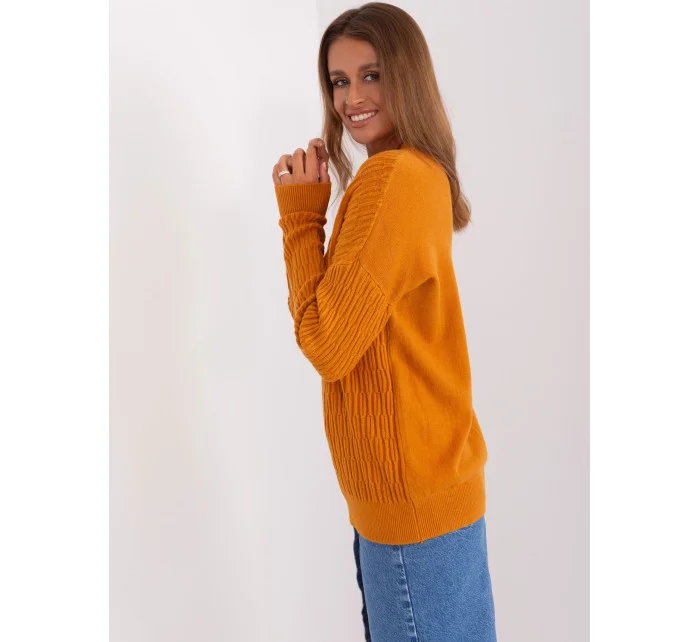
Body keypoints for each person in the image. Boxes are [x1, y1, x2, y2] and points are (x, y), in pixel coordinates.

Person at [270, 3, 496, 640]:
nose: (352, 99)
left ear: (408, 76)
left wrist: (300, 219)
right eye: (339, 81)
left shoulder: (391, 178)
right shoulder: (420, 174)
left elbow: (327, 344)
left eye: (372, 75)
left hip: (411, 515)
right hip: (430, 499)